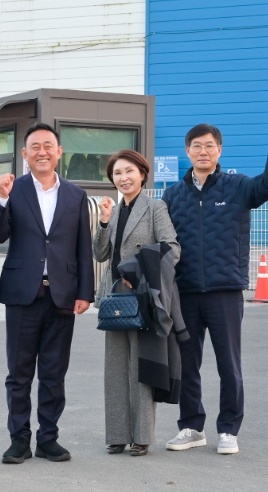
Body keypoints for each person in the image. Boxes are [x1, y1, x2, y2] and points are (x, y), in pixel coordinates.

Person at [163, 123, 268, 455]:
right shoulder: (172, 195)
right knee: (186, 364)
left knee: (228, 365)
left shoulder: (238, 186)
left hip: (225, 290)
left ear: (219, 150)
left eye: (209, 146)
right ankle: (191, 427)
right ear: (187, 151)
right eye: (196, 146)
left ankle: (229, 429)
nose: (203, 151)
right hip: (185, 291)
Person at [0, 123, 95, 464]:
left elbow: (82, 246)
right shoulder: (14, 189)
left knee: (53, 374)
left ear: (59, 152)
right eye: (35, 146)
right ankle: (19, 439)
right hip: (23, 294)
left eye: (48, 145)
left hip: (62, 295)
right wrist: (1, 199)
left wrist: (85, 291)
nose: (42, 152)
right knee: (19, 374)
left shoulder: (76, 195)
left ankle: (49, 438)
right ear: (25, 154)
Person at [92, 150, 180, 456]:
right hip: (115, 296)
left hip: (143, 296)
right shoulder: (114, 211)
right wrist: (104, 222)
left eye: (129, 171)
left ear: (142, 174)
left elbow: (172, 248)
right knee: (115, 369)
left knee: (140, 368)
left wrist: (137, 271)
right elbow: (100, 254)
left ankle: (141, 437)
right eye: (117, 173)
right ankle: (117, 434)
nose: (123, 178)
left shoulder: (155, 207)